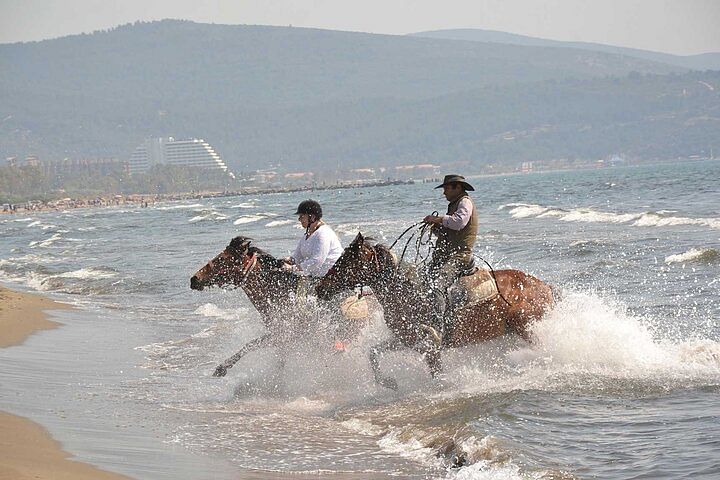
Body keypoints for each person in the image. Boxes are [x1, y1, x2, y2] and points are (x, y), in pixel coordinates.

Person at [422, 174, 478, 346]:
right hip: (446, 257)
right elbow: (451, 230)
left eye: (446, 188)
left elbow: (459, 223)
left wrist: (437, 219)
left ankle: (437, 329)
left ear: (458, 188)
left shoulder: (465, 202)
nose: (444, 192)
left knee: (437, 284)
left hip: (459, 257)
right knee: (420, 278)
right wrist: (436, 227)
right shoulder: (453, 204)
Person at [282, 199, 344, 277]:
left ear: (312, 217)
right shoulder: (306, 236)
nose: (299, 219)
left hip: (332, 277)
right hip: (317, 276)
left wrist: (293, 268)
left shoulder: (323, 234)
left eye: (302, 216)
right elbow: (297, 257)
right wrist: (287, 261)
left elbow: (317, 261)